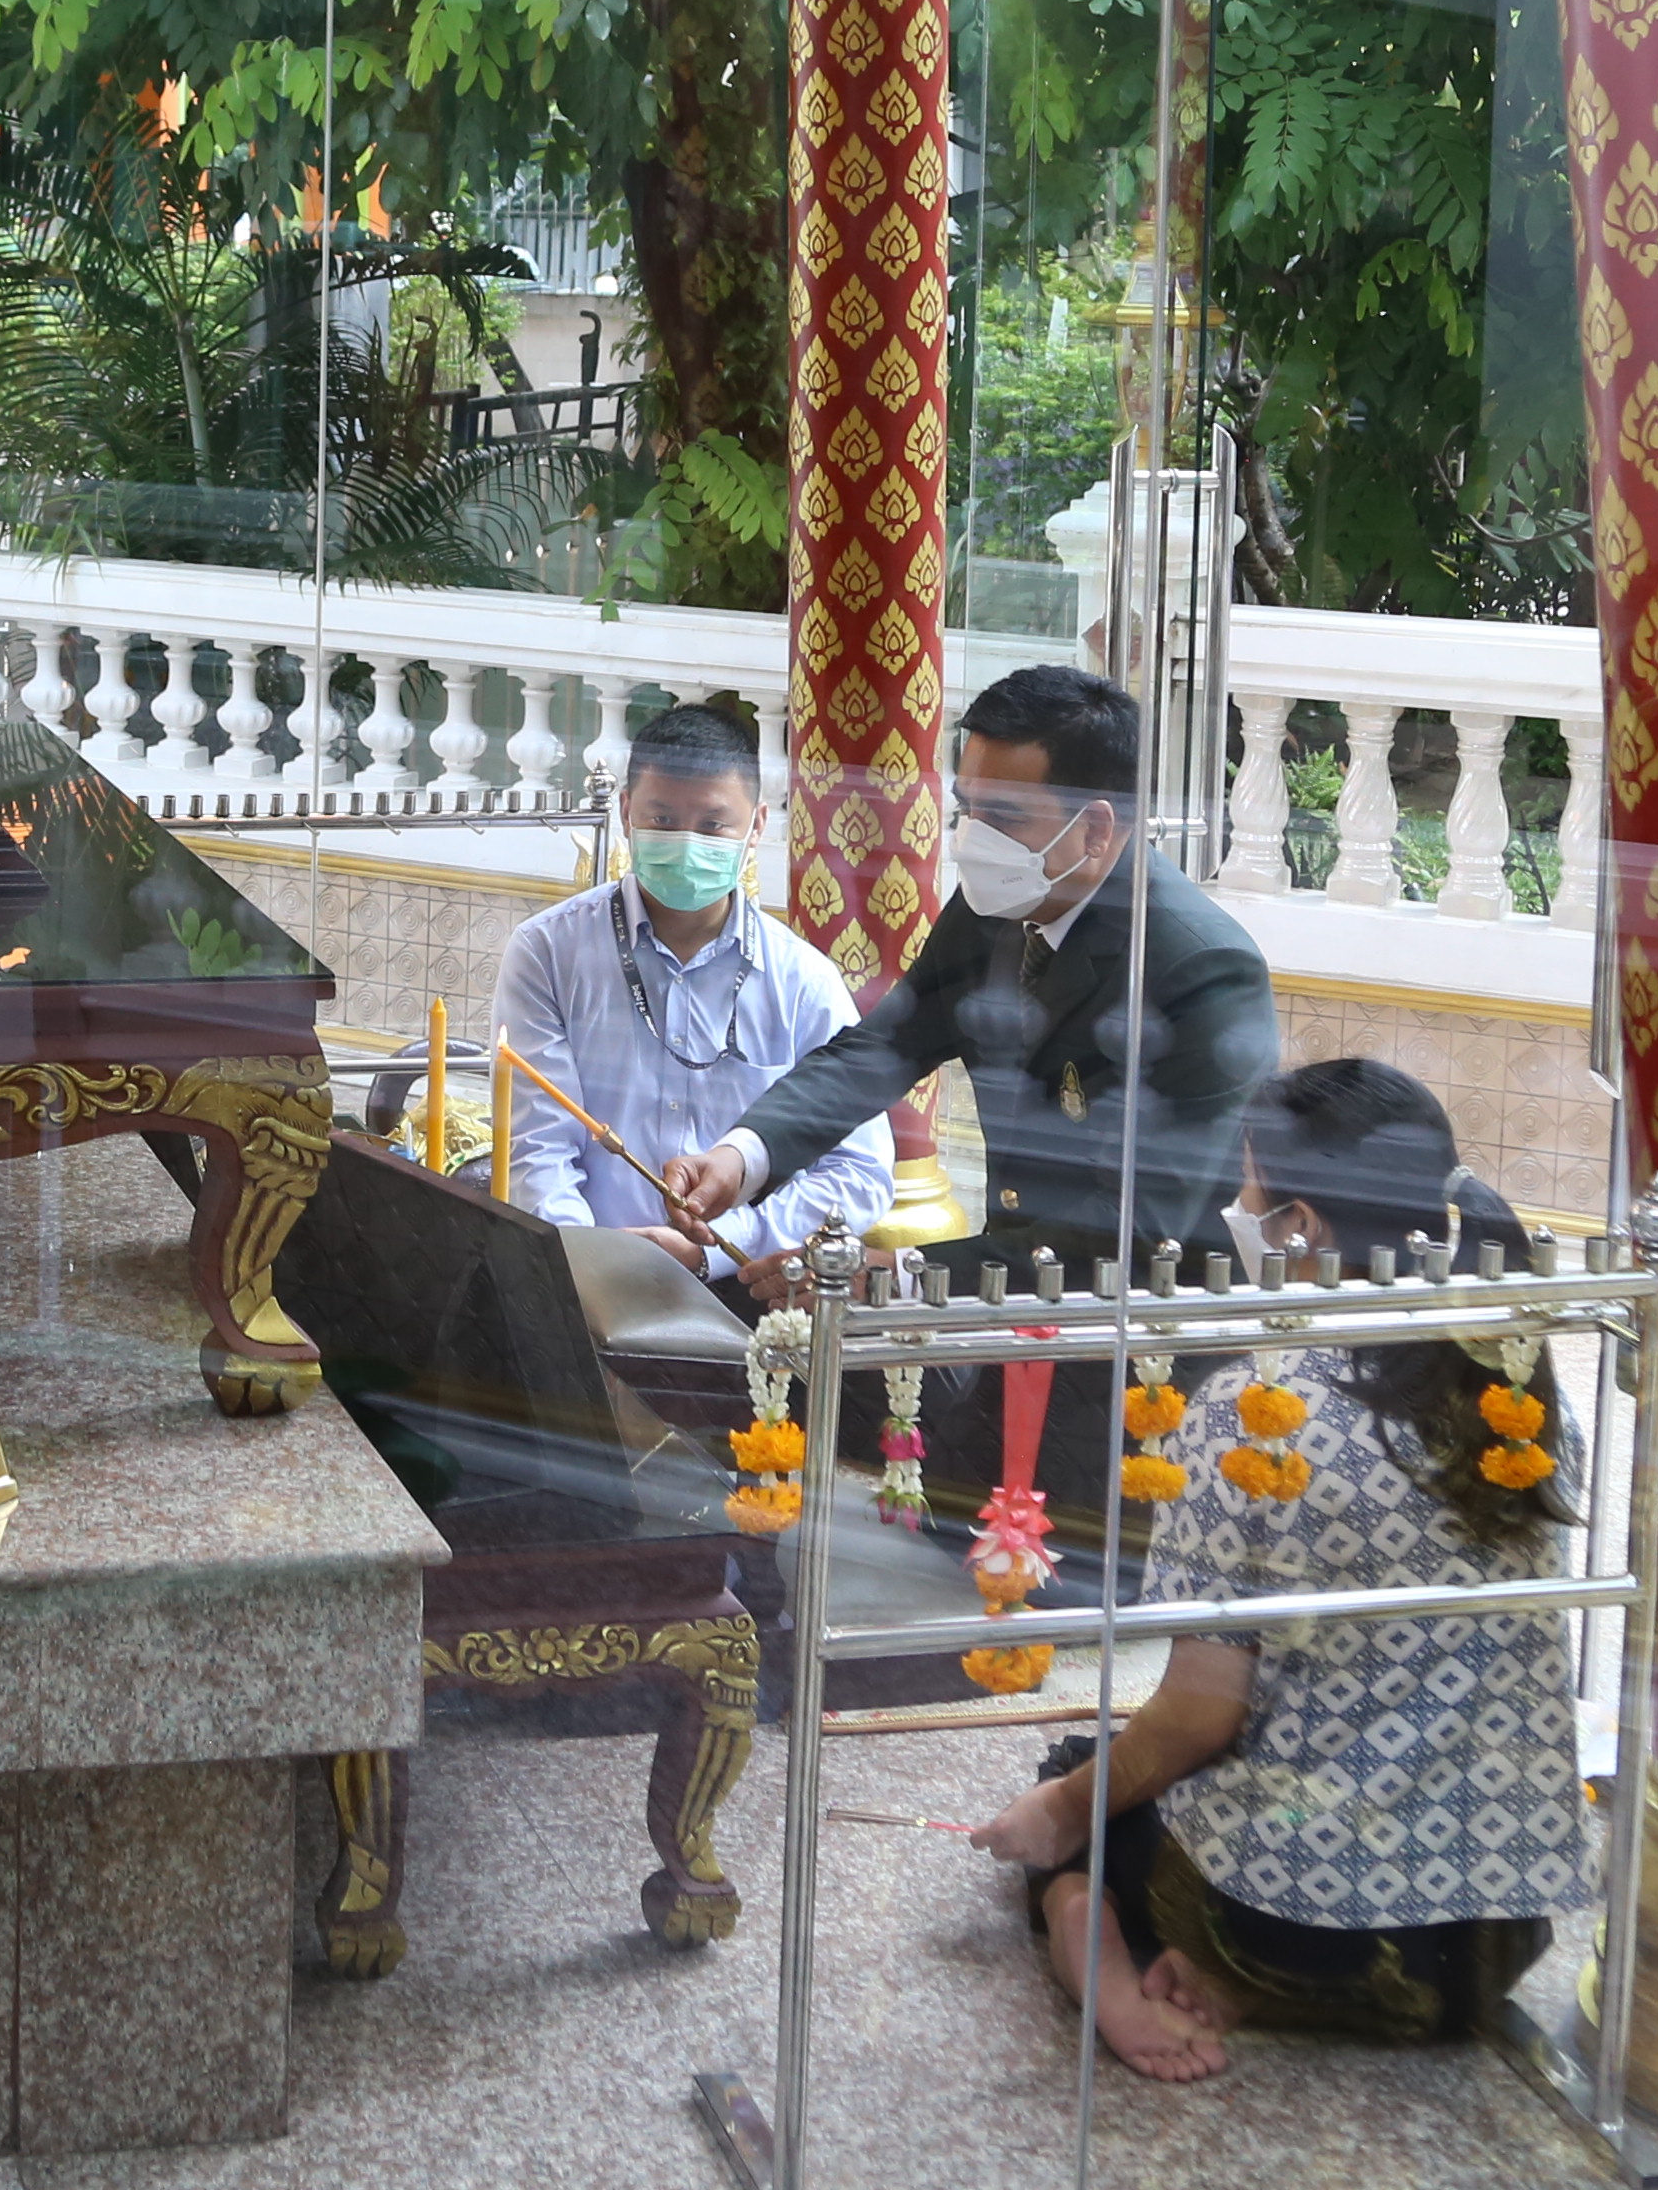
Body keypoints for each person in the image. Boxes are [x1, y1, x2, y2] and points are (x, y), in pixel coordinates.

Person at [963, 1061, 1599, 2078]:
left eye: (1249, 1190)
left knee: (1076, 1787)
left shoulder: (1257, 1417)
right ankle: (1239, 1984)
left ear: (1300, 1224)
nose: (1236, 1209)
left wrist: (1063, 1810)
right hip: (1490, 1943)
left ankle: (1105, 1950)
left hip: (1299, 1928)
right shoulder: (1514, 1392)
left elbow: (1199, 1717)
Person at [665, 660, 1279, 1288]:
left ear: (1095, 828)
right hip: (1014, 1285)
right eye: (967, 809)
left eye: (1005, 817)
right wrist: (744, 1156)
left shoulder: (1201, 972)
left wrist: (902, 1278)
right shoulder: (1004, 901)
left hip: (1141, 1314)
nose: (973, 840)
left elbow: (1138, 1228)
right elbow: (883, 1048)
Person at [487, 695, 888, 1287]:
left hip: (743, 1285)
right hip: (575, 1279)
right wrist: (589, 1266)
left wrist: (724, 1247)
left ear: (757, 826)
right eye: (663, 820)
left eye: (713, 826)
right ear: (626, 812)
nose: (686, 843)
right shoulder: (549, 952)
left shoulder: (802, 981)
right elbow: (535, 1146)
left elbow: (859, 1171)